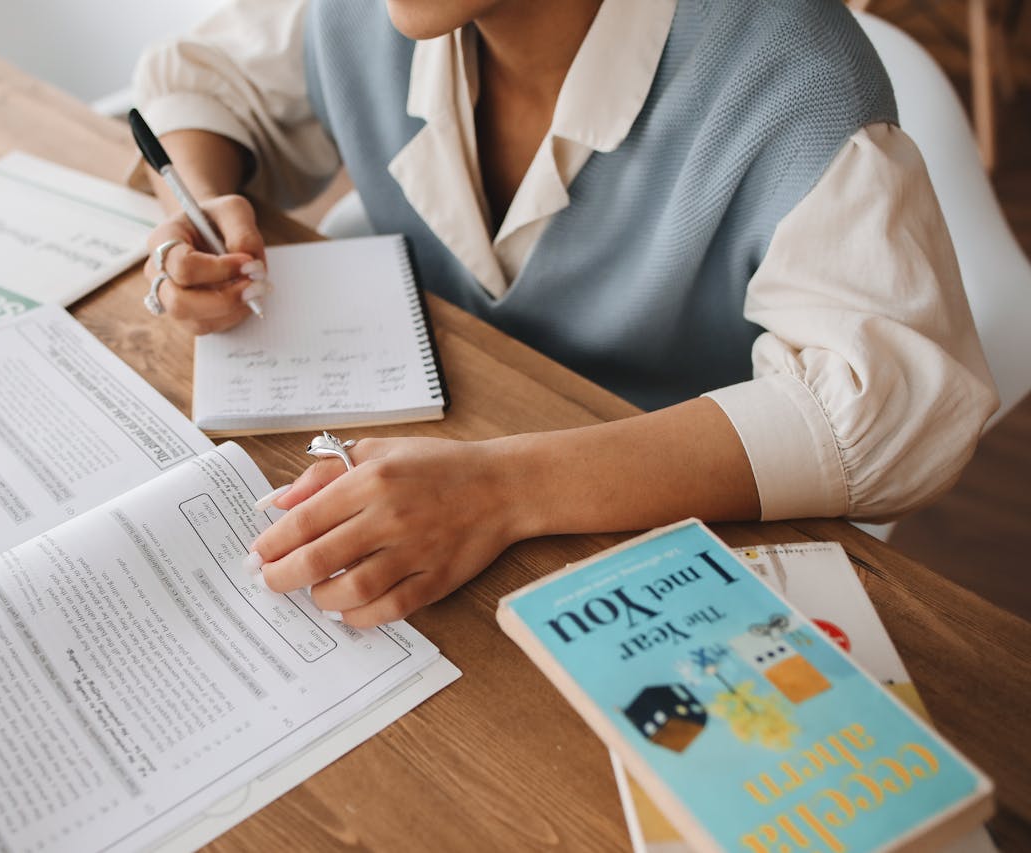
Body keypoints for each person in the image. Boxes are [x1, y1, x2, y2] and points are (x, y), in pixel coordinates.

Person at [132, 0, 997, 627]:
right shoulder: (368, 14)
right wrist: (200, 204)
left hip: (661, 530)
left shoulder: (795, 81)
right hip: (443, 478)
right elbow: (206, 84)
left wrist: (500, 488)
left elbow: (894, 413)